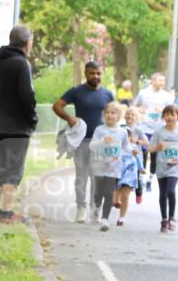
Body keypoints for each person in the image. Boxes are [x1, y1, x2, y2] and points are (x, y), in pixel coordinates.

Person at [52, 61, 116, 222]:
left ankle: (95, 209)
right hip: (81, 142)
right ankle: (81, 208)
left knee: (97, 177)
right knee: (81, 177)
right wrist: (71, 119)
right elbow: (57, 106)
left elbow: (115, 115)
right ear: (86, 73)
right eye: (92, 73)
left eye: (98, 73)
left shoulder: (108, 94)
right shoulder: (77, 91)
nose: (95, 76)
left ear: (102, 74)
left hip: (101, 143)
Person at [0, 25, 37, 224]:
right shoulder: (22, 64)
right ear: (27, 42)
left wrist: (1, 109)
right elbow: (27, 95)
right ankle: (6, 213)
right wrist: (32, 118)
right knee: (14, 171)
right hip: (18, 128)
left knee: (2, 169)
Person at [88, 102, 132, 231]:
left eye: (113, 113)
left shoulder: (122, 132)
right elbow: (92, 146)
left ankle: (105, 219)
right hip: (99, 166)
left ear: (118, 116)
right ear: (103, 115)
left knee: (108, 193)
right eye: (107, 112)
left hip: (114, 168)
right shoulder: (99, 130)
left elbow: (126, 147)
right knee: (98, 193)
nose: (109, 115)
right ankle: (97, 207)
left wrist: (132, 150)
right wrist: (102, 141)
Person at [147, 105, 178, 232]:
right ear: (163, 117)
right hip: (161, 166)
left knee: (171, 190)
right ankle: (164, 219)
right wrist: (157, 148)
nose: (170, 117)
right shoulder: (159, 132)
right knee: (163, 193)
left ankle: (172, 217)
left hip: (175, 167)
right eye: (167, 114)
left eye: (172, 114)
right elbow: (150, 148)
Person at [133, 73, 175, 191]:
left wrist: (163, 111)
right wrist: (139, 110)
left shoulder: (166, 96)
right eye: (160, 80)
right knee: (143, 153)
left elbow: (172, 112)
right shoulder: (143, 93)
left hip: (159, 130)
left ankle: (150, 180)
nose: (163, 83)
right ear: (153, 81)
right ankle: (141, 179)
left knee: (155, 156)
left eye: (163, 81)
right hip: (144, 128)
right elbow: (134, 107)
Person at [114, 107, 145, 226]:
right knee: (116, 194)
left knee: (126, 193)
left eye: (132, 115)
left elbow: (146, 143)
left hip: (131, 168)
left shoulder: (138, 130)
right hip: (118, 169)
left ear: (136, 117)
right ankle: (117, 201)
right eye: (128, 114)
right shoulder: (120, 128)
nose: (130, 117)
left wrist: (136, 142)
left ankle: (121, 218)